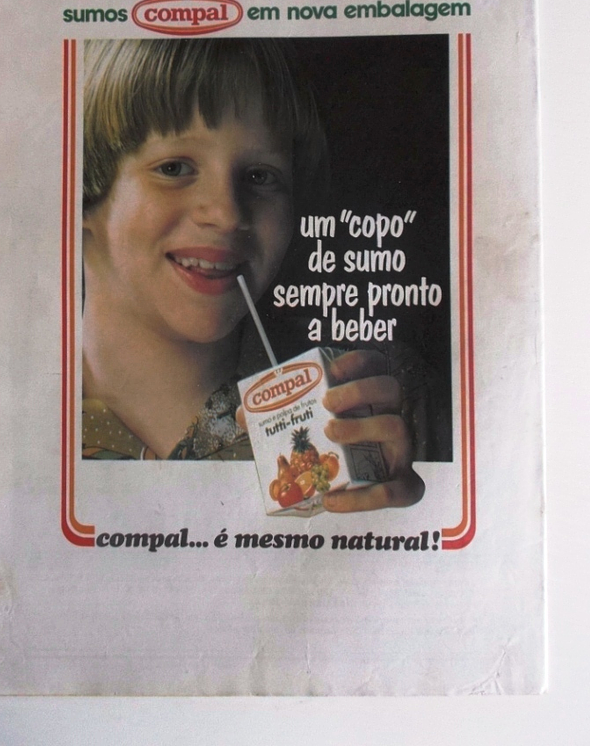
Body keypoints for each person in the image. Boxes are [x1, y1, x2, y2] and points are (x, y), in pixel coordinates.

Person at [81, 38, 425, 512]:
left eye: (261, 176)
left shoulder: (372, 400)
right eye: (174, 168)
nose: (227, 215)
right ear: (79, 192)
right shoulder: (14, 412)